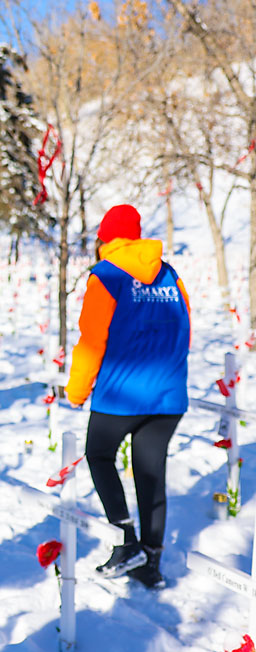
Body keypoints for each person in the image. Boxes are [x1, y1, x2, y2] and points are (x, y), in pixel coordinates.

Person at [66, 204, 190, 590]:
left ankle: (126, 542)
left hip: (120, 394)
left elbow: (92, 339)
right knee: (151, 474)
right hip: (167, 396)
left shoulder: (105, 276)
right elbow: (185, 327)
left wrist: (76, 390)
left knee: (99, 455)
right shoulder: (170, 275)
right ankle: (150, 563)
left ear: (105, 238)